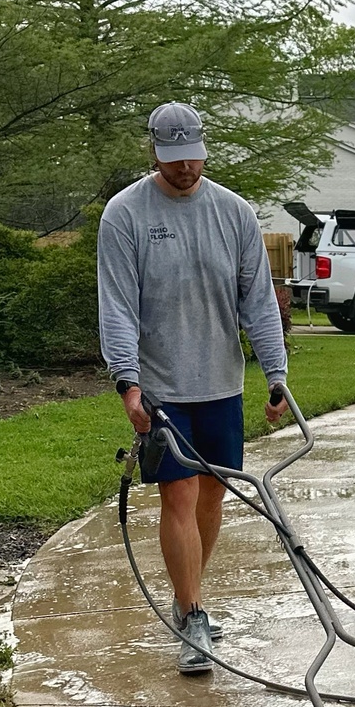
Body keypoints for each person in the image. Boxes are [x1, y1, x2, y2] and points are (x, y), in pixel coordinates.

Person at [97, 101, 290, 674]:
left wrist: (276, 373)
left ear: (204, 150)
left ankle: (191, 601)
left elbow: (258, 301)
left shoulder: (233, 213)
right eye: (173, 158)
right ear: (154, 152)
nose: (185, 168)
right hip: (161, 386)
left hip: (220, 382)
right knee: (178, 495)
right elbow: (118, 306)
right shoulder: (125, 214)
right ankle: (193, 613)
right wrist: (127, 383)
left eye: (193, 157)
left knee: (212, 494)